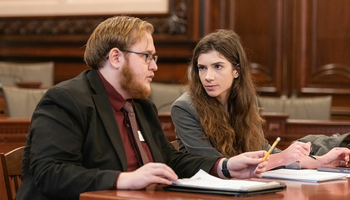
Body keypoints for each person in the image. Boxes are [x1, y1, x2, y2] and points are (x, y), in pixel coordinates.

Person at [15, 17, 269, 200]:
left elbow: (169, 160)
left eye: (154, 57)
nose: (154, 66)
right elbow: (51, 174)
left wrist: (224, 166)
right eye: (147, 56)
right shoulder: (66, 100)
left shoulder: (141, 106)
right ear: (116, 58)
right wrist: (124, 179)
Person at [171, 29, 350, 171]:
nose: (208, 76)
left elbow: (263, 150)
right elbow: (214, 165)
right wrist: (282, 157)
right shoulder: (184, 107)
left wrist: (320, 161)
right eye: (202, 68)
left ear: (237, 71)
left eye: (217, 66)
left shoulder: (245, 101)